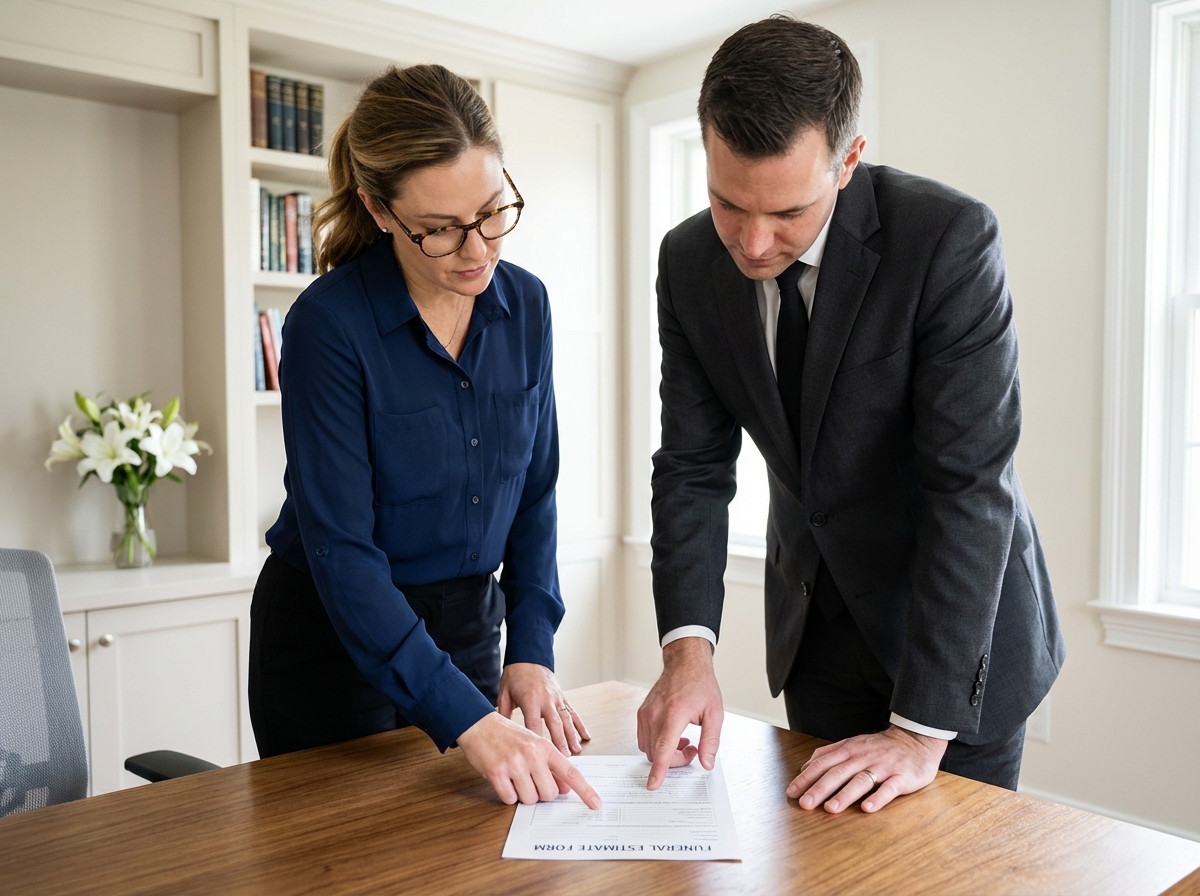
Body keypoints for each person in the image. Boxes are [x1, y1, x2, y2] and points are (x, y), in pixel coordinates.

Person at [637, 16, 1064, 814]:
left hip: (953, 648)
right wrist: (687, 654)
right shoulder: (687, 262)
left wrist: (918, 734)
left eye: (787, 212)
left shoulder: (947, 241)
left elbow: (969, 487)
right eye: (728, 203)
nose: (753, 244)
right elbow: (692, 467)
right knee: (828, 861)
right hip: (818, 635)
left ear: (849, 160)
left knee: (948, 867)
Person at [249, 64, 600, 811]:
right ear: (379, 210)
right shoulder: (329, 325)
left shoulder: (527, 305)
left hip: (468, 628)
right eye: (440, 229)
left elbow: (535, 492)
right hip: (333, 640)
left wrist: (531, 648)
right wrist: (468, 719)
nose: (477, 250)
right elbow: (342, 549)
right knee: (339, 855)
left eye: (492, 212)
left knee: (469, 849)